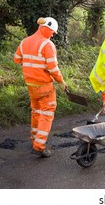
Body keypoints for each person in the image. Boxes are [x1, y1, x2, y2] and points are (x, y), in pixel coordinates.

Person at [14, 17, 68, 157]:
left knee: (36, 112)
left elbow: (17, 59)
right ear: (46, 28)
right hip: (44, 86)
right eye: (52, 32)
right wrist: (61, 82)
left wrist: (31, 67)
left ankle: (34, 139)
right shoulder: (47, 45)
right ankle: (39, 146)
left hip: (31, 85)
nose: (52, 35)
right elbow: (53, 69)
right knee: (47, 113)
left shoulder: (25, 41)